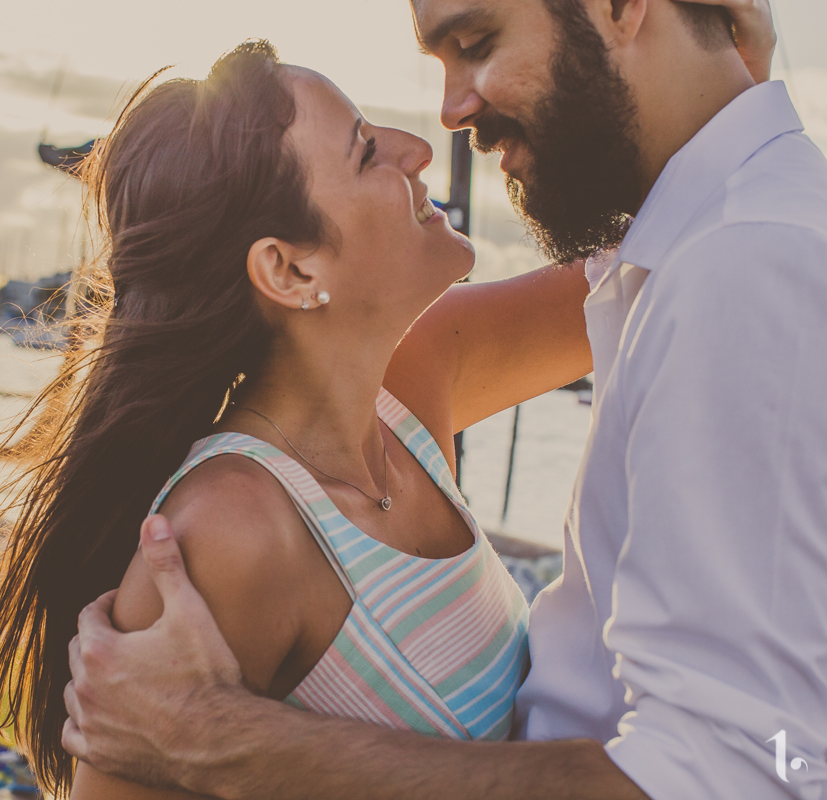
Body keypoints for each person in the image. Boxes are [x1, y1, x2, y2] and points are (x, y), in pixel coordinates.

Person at [63, 1, 827, 799]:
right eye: (364, 153)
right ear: (288, 271)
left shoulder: (411, 391)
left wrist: (223, 742)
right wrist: (727, 93)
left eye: (477, 43)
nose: (431, 136)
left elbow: (694, 234)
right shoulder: (225, 531)